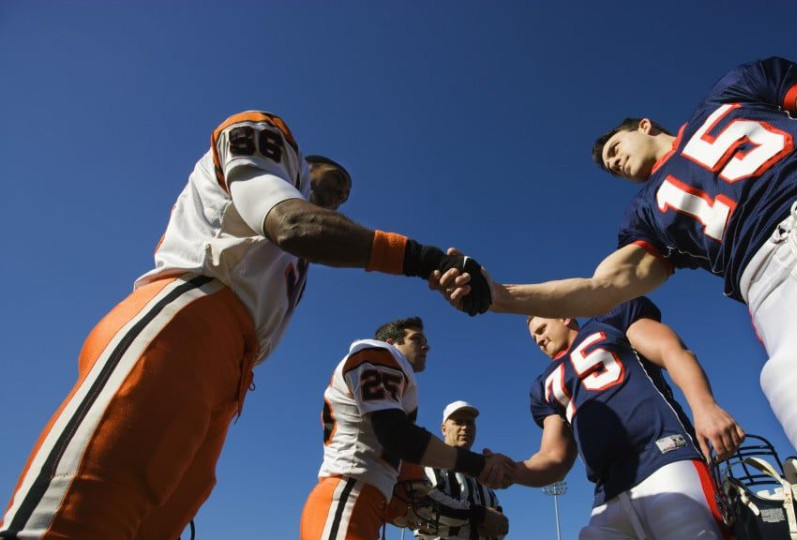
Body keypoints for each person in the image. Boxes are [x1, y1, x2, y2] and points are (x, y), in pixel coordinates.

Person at [439, 57, 797, 537]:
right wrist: (498, 294)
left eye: (615, 149)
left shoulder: (731, 95)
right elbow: (603, 287)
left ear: (644, 124)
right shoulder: (643, 217)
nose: (614, 163)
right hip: (777, 287)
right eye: (607, 165)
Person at [0, 110, 491, 539]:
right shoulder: (270, 145)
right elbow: (293, 224)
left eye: (344, 196)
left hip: (234, 371)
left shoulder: (294, 270)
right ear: (304, 166)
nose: (338, 198)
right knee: (82, 514)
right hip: (191, 314)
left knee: (153, 520)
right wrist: (425, 259)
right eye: (332, 182)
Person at [513, 297, 742, 539]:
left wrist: (705, 406)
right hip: (607, 494)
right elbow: (553, 457)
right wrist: (512, 471)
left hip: (663, 459)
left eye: (541, 329)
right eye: (533, 337)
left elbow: (670, 349)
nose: (538, 340)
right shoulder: (543, 385)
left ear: (564, 316)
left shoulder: (609, 322)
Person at [301, 317, 511, 540]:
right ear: (392, 342)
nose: (426, 345)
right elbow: (396, 435)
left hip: (366, 500)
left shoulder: (393, 378)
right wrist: (478, 465)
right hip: (348, 494)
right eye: (416, 339)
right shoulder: (378, 353)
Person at [412, 400, 508, 540]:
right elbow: (428, 500)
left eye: (470, 423)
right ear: (444, 429)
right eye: (458, 422)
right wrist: (479, 514)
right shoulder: (431, 462)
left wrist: (502, 525)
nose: (465, 427)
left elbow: (497, 516)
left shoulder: (481, 474)